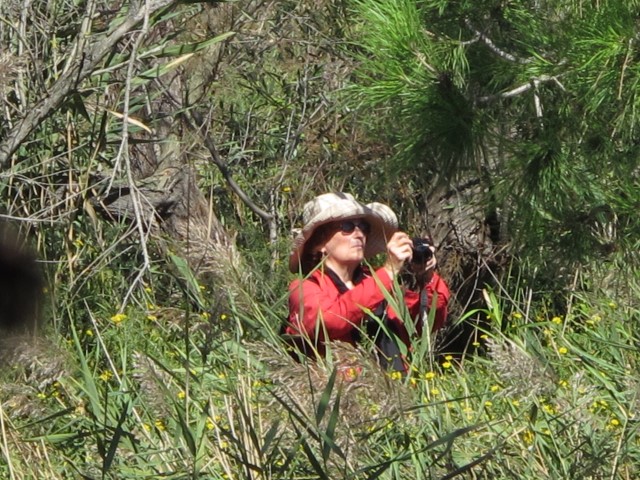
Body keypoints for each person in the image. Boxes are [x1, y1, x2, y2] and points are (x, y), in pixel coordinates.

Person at [284, 192, 450, 371]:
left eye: (363, 227)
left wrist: (427, 277)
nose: (359, 234)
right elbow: (328, 321)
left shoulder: (377, 282)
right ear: (320, 243)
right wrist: (388, 271)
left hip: (396, 386)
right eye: (347, 226)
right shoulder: (304, 288)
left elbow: (424, 322)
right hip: (345, 387)